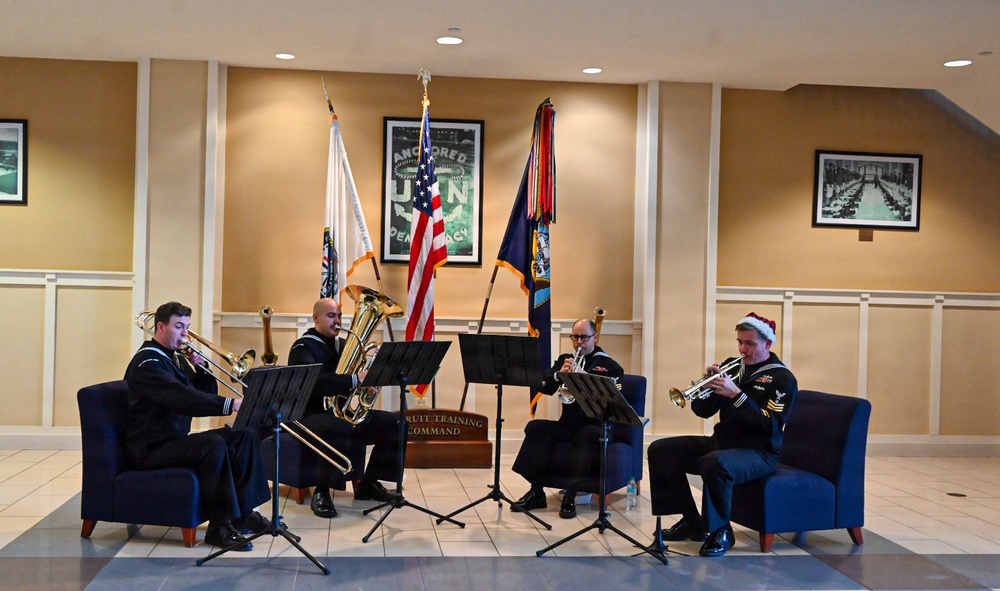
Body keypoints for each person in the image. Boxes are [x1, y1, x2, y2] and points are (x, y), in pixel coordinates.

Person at [647, 312, 798, 557]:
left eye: (749, 343)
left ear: (768, 344)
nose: (742, 348)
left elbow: (769, 426)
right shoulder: (734, 366)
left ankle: (720, 531)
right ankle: (690, 521)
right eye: (739, 341)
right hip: (723, 443)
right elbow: (704, 412)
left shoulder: (782, 378)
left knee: (715, 461)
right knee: (661, 449)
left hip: (760, 452)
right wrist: (704, 390)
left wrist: (736, 395)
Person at [124, 301, 271, 551]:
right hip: (150, 449)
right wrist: (230, 404)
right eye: (179, 326)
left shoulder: (173, 360)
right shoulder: (147, 364)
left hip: (173, 441)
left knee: (242, 436)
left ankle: (244, 514)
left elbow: (203, 392)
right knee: (211, 444)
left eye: (188, 327)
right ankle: (218, 527)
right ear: (160, 327)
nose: (185, 334)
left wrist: (200, 369)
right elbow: (184, 399)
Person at [287, 297, 403, 518]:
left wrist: (375, 368)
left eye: (339, 315)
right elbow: (315, 383)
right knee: (339, 427)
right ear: (316, 318)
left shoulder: (343, 346)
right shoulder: (303, 347)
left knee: (396, 422)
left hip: (340, 412)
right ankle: (322, 491)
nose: (337, 321)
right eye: (331, 316)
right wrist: (355, 379)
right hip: (309, 415)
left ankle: (368, 484)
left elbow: (357, 382)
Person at [511, 318, 625, 519]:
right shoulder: (566, 359)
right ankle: (536, 491)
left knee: (585, 435)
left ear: (595, 338)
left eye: (584, 337)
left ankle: (570, 495)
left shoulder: (610, 366)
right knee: (536, 427)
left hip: (596, 425)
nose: (579, 342)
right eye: (575, 337)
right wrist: (558, 376)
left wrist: (583, 379)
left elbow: (613, 403)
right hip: (569, 423)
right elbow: (544, 386)